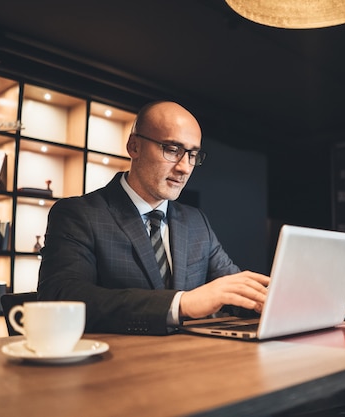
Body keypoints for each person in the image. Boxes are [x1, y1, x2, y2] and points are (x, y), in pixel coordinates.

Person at [37, 101, 270, 335]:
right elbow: (62, 295)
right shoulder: (78, 214)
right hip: (114, 363)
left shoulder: (196, 221)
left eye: (192, 154)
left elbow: (235, 291)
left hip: (189, 360)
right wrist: (181, 304)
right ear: (134, 146)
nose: (185, 168)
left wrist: (277, 301)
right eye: (172, 149)